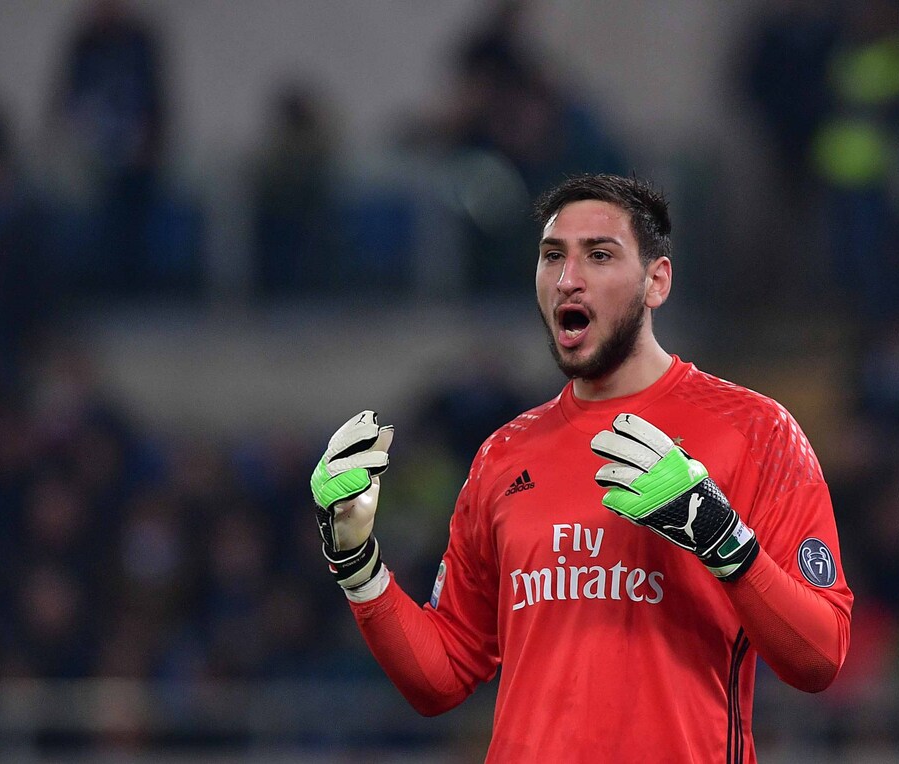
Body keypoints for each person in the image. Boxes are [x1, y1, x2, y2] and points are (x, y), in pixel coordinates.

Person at [309, 174, 853, 762]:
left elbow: (820, 658)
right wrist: (357, 565)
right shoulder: (504, 455)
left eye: (599, 255)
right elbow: (442, 677)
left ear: (656, 281)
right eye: (553, 257)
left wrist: (722, 540)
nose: (568, 279)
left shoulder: (755, 432)